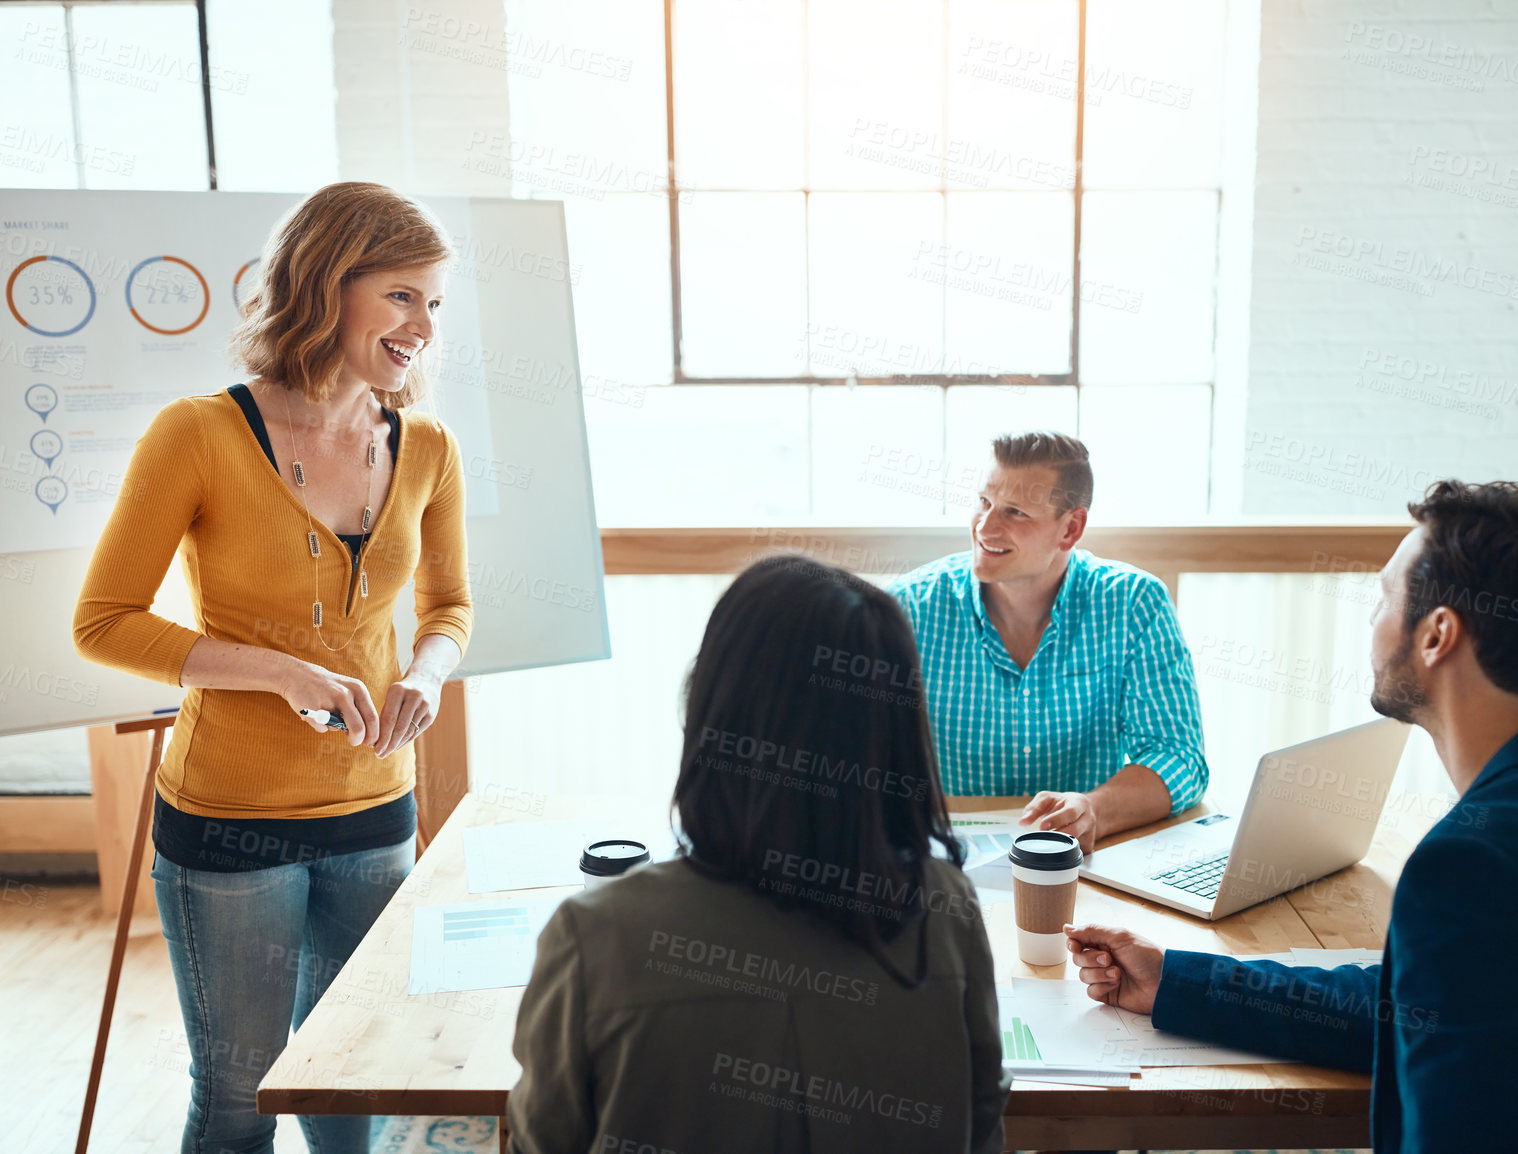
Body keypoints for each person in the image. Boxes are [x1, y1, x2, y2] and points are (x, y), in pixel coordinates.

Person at [1065, 480, 1518, 1152]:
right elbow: (1422, 1007)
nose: (1372, 619)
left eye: (1384, 597)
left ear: (1438, 633)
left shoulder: (1481, 863)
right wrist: (1177, 981)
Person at [72, 181, 473, 1154]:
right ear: (327, 284)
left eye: (435, 302)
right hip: (228, 827)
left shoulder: (425, 447)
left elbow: (451, 608)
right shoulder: (198, 434)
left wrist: (425, 671)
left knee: (351, 1090)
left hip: (376, 810)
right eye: (401, 295)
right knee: (240, 1101)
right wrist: (278, 672)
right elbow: (105, 622)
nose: (423, 324)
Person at [506, 556, 1010, 1154]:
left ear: (712, 713)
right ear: (893, 736)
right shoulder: (944, 908)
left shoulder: (597, 933)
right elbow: (981, 1126)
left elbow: (542, 1142)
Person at [890, 431, 1207, 852]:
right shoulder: (908, 608)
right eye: (984, 502)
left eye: (1015, 512)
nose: (986, 527)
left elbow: (1179, 757)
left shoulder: (1133, 604)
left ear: (1070, 528)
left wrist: (1093, 809)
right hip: (944, 865)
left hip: (1084, 862)